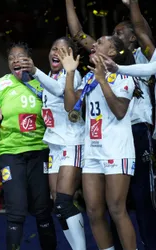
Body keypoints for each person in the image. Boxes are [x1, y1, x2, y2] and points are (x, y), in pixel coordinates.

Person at [62, 0, 156, 248]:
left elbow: (141, 30)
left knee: (138, 201)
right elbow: (78, 34)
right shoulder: (97, 69)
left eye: (118, 33)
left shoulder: (142, 59)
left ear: (130, 40)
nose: (105, 37)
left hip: (135, 132)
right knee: (97, 210)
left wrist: (133, 2)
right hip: (97, 142)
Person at [62, 35, 138, 250]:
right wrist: (69, 73)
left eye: (101, 42)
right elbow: (70, 106)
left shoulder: (125, 76)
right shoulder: (88, 78)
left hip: (117, 150)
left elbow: (120, 111)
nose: (93, 45)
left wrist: (103, 79)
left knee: (116, 208)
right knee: (94, 211)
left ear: (112, 52)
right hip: (93, 152)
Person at [0, 42, 56, 250]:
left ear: (30, 59)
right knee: (15, 212)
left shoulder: (42, 83)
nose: (16, 60)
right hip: (10, 154)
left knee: (43, 211)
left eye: (21, 56)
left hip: (39, 151)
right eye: (11, 58)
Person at [31, 37, 85, 250]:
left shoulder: (72, 75)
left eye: (63, 51)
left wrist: (34, 72)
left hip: (72, 142)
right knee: (58, 205)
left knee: (64, 201)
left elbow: (58, 90)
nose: (57, 53)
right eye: (54, 48)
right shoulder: (50, 76)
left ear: (70, 56)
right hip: (54, 144)